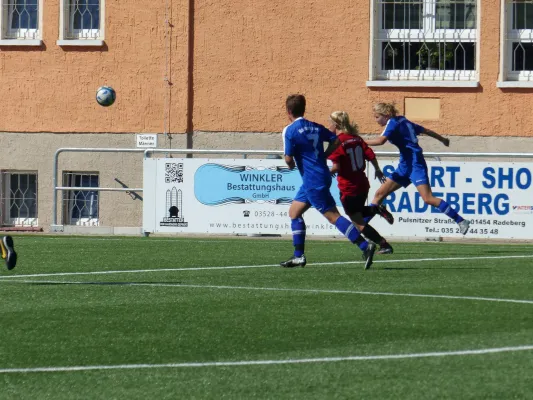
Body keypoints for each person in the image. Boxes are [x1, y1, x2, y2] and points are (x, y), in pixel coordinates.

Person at [280, 94, 376, 270]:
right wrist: (324, 155)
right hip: (321, 174)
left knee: (333, 217)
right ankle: (298, 256)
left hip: (312, 179)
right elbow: (337, 139)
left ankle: (365, 246)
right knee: (294, 212)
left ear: (288, 111)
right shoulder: (315, 127)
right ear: (304, 109)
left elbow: (288, 158)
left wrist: (291, 163)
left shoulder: (290, 130)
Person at [365, 102, 470, 235]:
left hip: (415, 163)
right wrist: (442, 139)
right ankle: (361, 226)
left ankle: (461, 221)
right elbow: (426, 130)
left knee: (428, 198)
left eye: (376, 117)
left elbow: (381, 141)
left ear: (385, 115)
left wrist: (359, 141)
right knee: (379, 194)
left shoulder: (392, 122)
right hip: (405, 164)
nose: (375, 120)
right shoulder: (402, 120)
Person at [327, 111, 394, 256]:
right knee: (357, 213)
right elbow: (370, 154)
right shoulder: (356, 138)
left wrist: (326, 173)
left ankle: (383, 244)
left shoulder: (338, 141)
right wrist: (377, 170)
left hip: (349, 186)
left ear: (336, 124)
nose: (329, 126)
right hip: (362, 183)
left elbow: (336, 167)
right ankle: (376, 210)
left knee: (357, 221)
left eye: (330, 122)